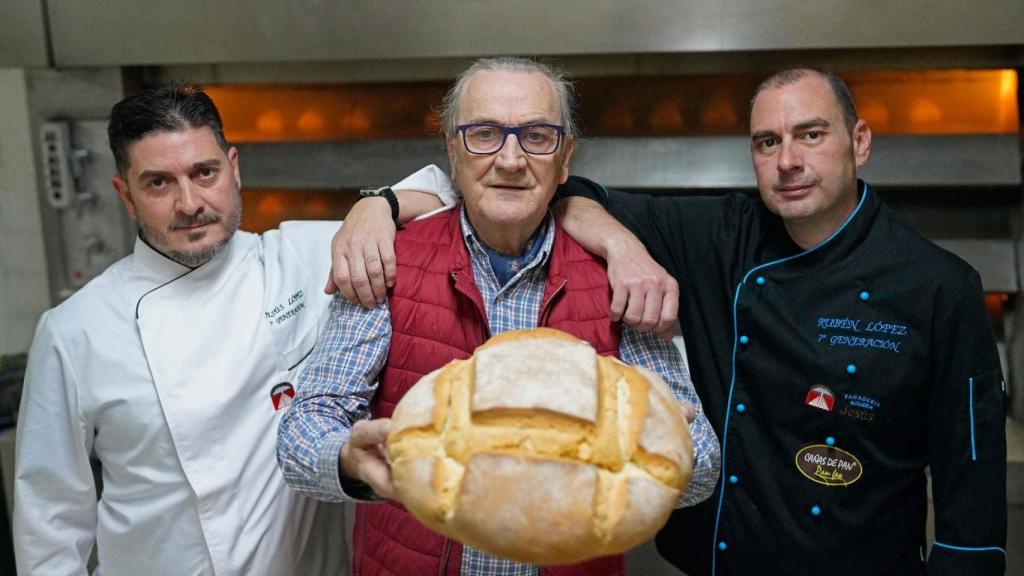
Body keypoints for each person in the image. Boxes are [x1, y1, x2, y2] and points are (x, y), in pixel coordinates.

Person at [334, 68, 1008, 576]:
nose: (789, 161)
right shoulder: (722, 235)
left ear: (859, 142)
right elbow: (549, 185)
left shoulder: (940, 286)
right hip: (719, 563)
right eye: (766, 141)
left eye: (811, 134)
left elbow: (969, 483)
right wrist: (382, 203)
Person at [277, 56, 720, 576]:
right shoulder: (388, 259)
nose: (510, 160)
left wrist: (644, 437)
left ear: (565, 157)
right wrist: (350, 462)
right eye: (484, 134)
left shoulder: (619, 277)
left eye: (537, 136)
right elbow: (301, 432)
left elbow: (703, 465)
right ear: (452, 149)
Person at [12, 85, 366, 575]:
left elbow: (442, 199)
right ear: (125, 196)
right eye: (158, 183)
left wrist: (378, 206)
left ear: (234, 168)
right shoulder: (76, 331)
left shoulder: (308, 257)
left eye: (205, 173)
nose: (189, 203)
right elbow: (49, 524)